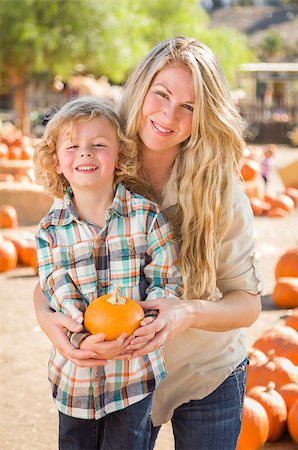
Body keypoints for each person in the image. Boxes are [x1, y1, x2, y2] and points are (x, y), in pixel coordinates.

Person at [33, 37, 262, 450]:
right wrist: (49, 323)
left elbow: (247, 303)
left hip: (206, 369)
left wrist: (186, 313)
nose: (169, 114)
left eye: (189, 106)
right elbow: (57, 264)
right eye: (162, 94)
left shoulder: (220, 189)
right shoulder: (96, 155)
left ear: (203, 115)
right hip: (123, 377)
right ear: (142, 87)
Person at [33, 96, 183, 450]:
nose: (85, 153)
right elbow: (56, 288)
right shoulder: (50, 230)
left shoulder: (146, 217)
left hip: (134, 372)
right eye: (73, 146)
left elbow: (166, 280)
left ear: (120, 156)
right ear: (56, 162)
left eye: (98, 145)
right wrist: (80, 335)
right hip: (77, 376)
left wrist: (149, 324)